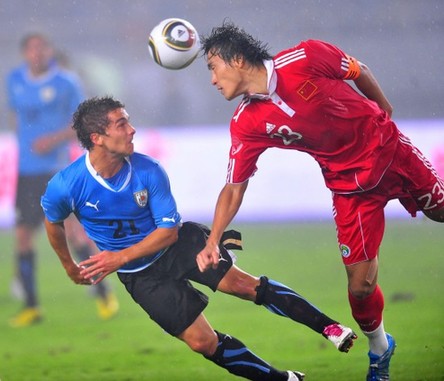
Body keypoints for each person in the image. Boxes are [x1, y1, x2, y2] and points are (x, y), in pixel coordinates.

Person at [41, 96, 358, 381]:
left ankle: (329, 327)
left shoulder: (149, 170)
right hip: (142, 277)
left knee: (244, 286)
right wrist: (69, 265)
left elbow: (168, 233)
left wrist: (119, 257)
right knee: (201, 342)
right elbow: (52, 222)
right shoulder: (66, 185)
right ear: (97, 138)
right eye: (121, 124)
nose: (132, 129)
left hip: (180, 247)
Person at [196, 22, 444, 381]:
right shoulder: (247, 123)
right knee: (360, 287)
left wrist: (384, 110)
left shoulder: (307, 56)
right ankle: (379, 349)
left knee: (441, 212)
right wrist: (213, 238)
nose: (212, 80)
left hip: (392, 154)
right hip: (349, 189)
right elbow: (234, 187)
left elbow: (361, 72)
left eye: (212, 67)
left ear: (236, 60)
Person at [6, 33, 118, 327]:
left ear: (49, 51)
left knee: (73, 231)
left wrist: (53, 138)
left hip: (58, 170)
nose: (37, 54)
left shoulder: (66, 82)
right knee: (23, 236)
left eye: (42, 48)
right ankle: (31, 306)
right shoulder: (14, 80)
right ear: (25, 53)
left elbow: (83, 122)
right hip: (27, 172)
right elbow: (15, 116)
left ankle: (104, 293)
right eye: (32, 49)